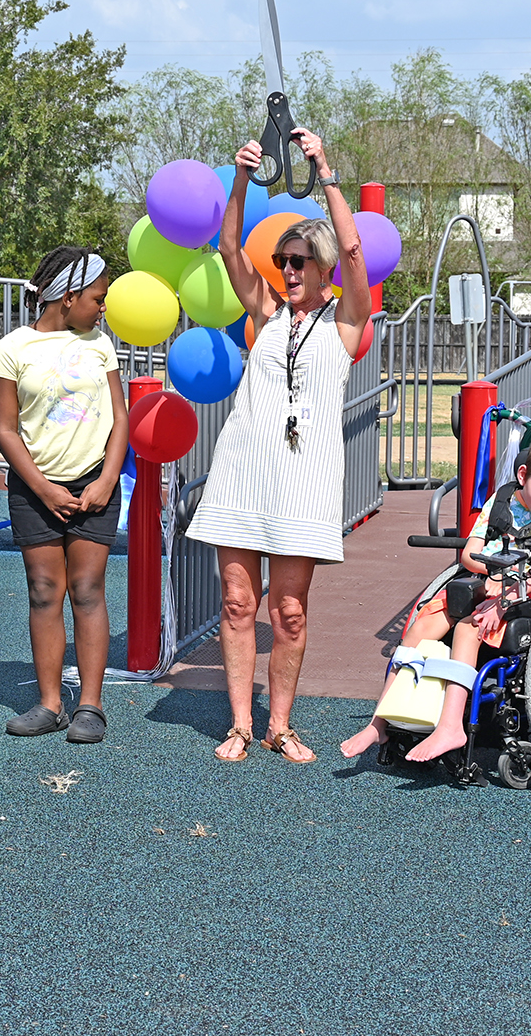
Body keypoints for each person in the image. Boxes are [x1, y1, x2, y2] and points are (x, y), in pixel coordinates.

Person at [186, 131, 371, 764]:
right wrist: (241, 177)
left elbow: (352, 244)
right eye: (284, 263)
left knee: (289, 611)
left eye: (299, 262)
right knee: (239, 604)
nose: (288, 272)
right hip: (244, 471)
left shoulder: (346, 322)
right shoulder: (263, 312)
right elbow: (230, 246)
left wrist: (322, 169)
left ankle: (281, 724)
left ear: (323, 269)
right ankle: (239, 724)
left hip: (306, 477)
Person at [339, 436, 531, 762]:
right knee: (419, 629)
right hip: (484, 578)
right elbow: (469, 553)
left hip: (526, 590)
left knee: (470, 627)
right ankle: (379, 721)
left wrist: (503, 597)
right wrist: (491, 574)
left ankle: (451, 726)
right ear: (522, 475)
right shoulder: (502, 500)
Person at [0, 248, 129, 743]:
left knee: (88, 591)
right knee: (44, 592)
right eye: (98, 297)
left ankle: (90, 705)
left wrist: (107, 480)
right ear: (68, 298)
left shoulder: (100, 345)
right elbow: (4, 428)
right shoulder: (12, 349)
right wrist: (45, 489)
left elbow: (120, 418)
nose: (104, 307)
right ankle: (50, 704)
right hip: (35, 489)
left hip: (95, 485)